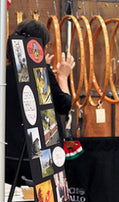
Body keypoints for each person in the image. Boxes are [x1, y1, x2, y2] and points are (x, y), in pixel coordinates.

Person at [6, 19, 75, 184]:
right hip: (38, 160)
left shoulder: (5, 73)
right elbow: (64, 105)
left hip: (8, 156)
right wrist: (63, 76)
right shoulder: (41, 73)